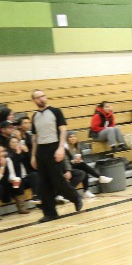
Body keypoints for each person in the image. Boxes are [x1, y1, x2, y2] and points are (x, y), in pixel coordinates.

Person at [29, 89, 83, 222]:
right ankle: (50, 213)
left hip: (54, 147)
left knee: (58, 180)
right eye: (38, 97)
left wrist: (60, 148)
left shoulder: (55, 111)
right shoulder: (35, 116)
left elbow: (63, 130)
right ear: (34, 100)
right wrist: (33, 156)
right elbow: (35, 138)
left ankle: (75, 197)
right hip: (41, 150)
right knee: (44, 183)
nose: (41, 99)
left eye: (43, 96)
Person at [1, 144, 32, 214]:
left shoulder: (8, 160)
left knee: (18, 182)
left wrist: (12, 179)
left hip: (8, 183)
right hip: (2, 185)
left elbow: (11, 173)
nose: (3, 153)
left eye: (3, 151)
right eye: (1, 152)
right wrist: (2, 167)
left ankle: (21, 206)